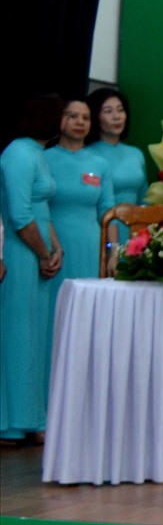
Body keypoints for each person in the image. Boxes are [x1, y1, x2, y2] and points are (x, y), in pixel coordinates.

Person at [0, 95, 64, 444]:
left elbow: (43, 209)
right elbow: (20, 216)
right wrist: (42, 253)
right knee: (17, 335)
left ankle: (30, 418)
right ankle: (9, 421)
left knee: (35, 337)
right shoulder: (18, 153)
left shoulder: (37, 153)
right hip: (20, 254)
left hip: (37, 252)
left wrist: (56, 247)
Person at [43, 98, 113, 294]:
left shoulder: (100, 164)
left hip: (91, 246)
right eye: (72, 116)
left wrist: (113, 251)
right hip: (54, 246)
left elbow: (108, 211)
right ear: (59, 120)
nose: (80, 122)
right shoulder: (44, 159)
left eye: (86, 118)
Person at [86, 87, 152, 240]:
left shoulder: (136, 154)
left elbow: (144, 199)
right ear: (96, 117)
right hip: (102, 232)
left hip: (135, 234)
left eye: (120, 110)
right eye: (108, 111)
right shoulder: (88, 155)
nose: (116, 117)